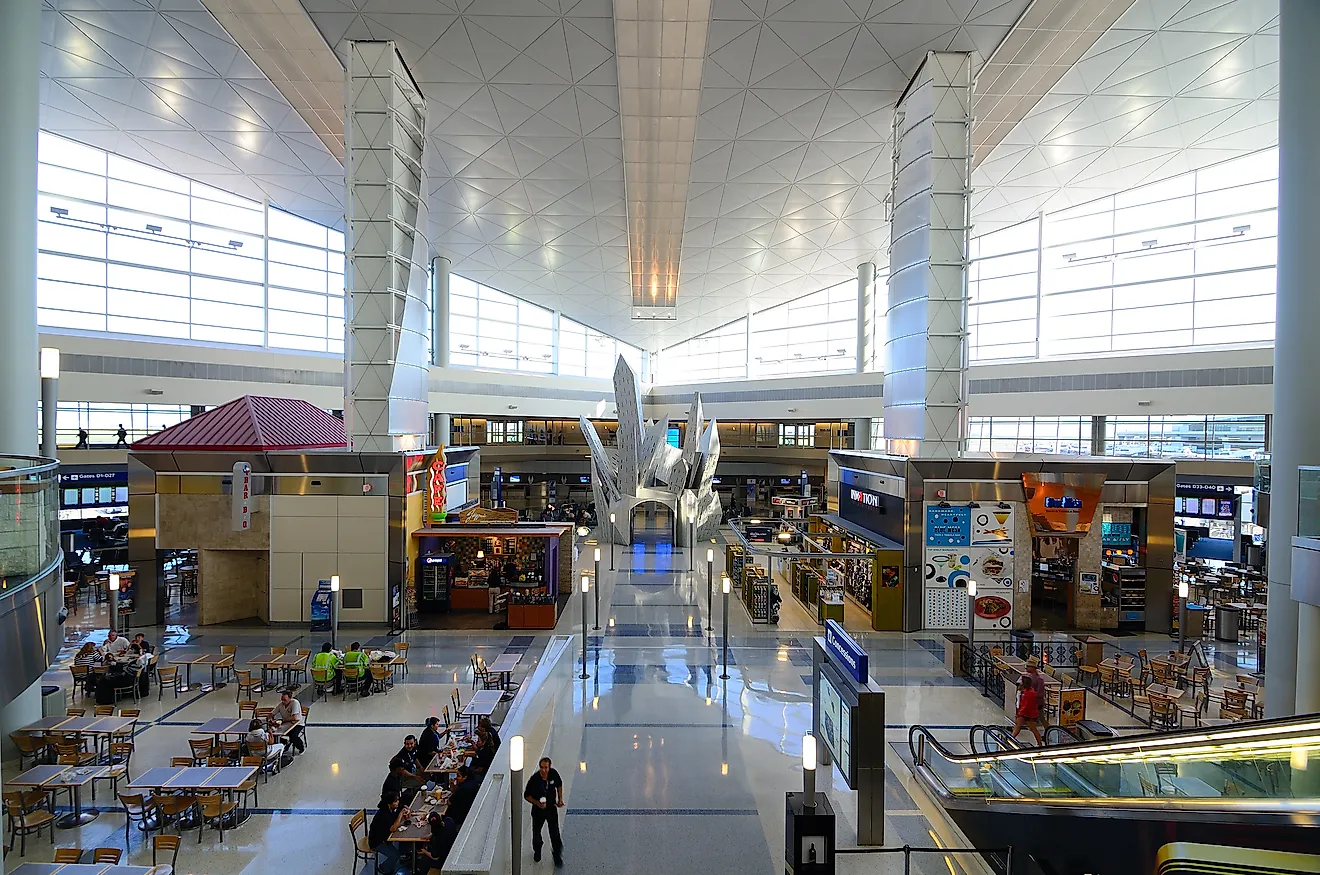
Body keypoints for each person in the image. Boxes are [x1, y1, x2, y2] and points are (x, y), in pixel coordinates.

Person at [523, 756, 564, 866]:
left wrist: (560, 799)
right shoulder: (534, 779)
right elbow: (526, 795)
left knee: (554, 832)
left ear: (549, 767)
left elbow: (559, 785)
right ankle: (537, 850)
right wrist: (537, 803)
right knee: (536, 833)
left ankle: (557, 855)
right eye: (542, 767)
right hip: (538, 811)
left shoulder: (553, 774)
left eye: (546, 768)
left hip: (551, 808)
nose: (544, 770)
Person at [368, 790, 410, 875]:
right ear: (389, 804)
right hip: (378, 842)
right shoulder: (383, 815)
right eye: (395, 801)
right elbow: (393, 828)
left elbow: (398, 810)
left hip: (384, 837)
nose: (397, 803)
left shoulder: (390, 809)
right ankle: (383, 868)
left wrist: (404, 808)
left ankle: (405, 854)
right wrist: (401, 814)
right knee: (395, 855)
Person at [269, 688, 306, 754]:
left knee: (293, 736)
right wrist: (270, 718)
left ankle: (301, 747)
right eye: (282, 700)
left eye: (285, 700)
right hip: (287, 724)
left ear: (290, 698)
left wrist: (281, 721)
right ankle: (285, 742)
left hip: (298, 724)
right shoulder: (281, 705)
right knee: (273, 734)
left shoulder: (295, 703)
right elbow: (272, 713)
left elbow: (294, 717)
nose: (283, 701)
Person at [1011, 676, 1043, 745]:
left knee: (1032, 729)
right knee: (1019, 727)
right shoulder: (1027, 691)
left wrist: (1019, 714)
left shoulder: (1028, 693)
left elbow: (1025, 706)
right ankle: (1010, 739)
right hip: (1027, 714)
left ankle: (1040, 743)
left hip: (1028, 714)